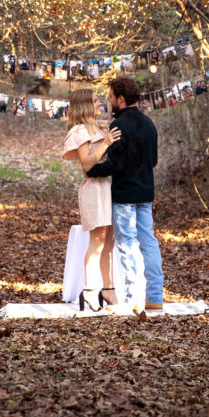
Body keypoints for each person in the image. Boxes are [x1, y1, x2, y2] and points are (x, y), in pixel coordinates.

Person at [85, 76, 163, 312]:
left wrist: (91, 170)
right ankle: (155, 297)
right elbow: (153, 160)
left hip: (125, 195)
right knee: (149, 243)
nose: (109, 101)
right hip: (145, 193)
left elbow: (114, 165)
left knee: (126, 244)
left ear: (121, 98)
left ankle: (132, 298)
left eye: (111, 97)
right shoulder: (149, 124)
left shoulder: (119, 126)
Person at [62, 88, 122, 312]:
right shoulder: (79, 131)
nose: (100, 104)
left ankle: (109, 289)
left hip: (109, 186)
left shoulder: (97, 127)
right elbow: (87, 164)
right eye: (95, 101)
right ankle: (89, 289)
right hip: (94, 188)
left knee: (109, 241)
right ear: (85, 105)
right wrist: (106, 143)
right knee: (97, 241)